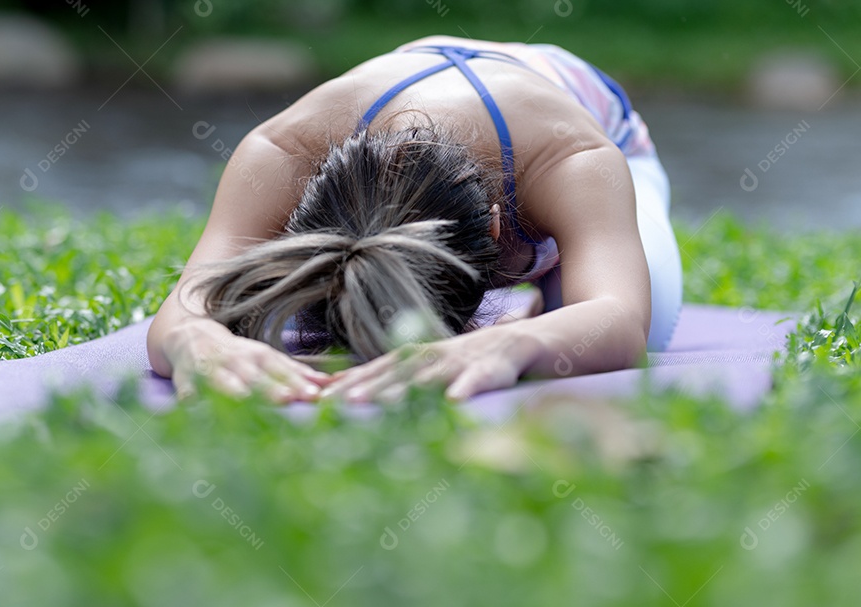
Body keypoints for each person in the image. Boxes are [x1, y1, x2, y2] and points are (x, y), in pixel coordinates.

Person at [147, 35, 683, 403]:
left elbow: (622, 319)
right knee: (273, 309)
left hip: (588, 119)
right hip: (426, 87)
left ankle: (551, 290)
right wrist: (194, 340)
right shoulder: (281, 153)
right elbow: (187, 304)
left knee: (637, 323)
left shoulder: (572, 158)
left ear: (496, 234)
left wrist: (513, 343)